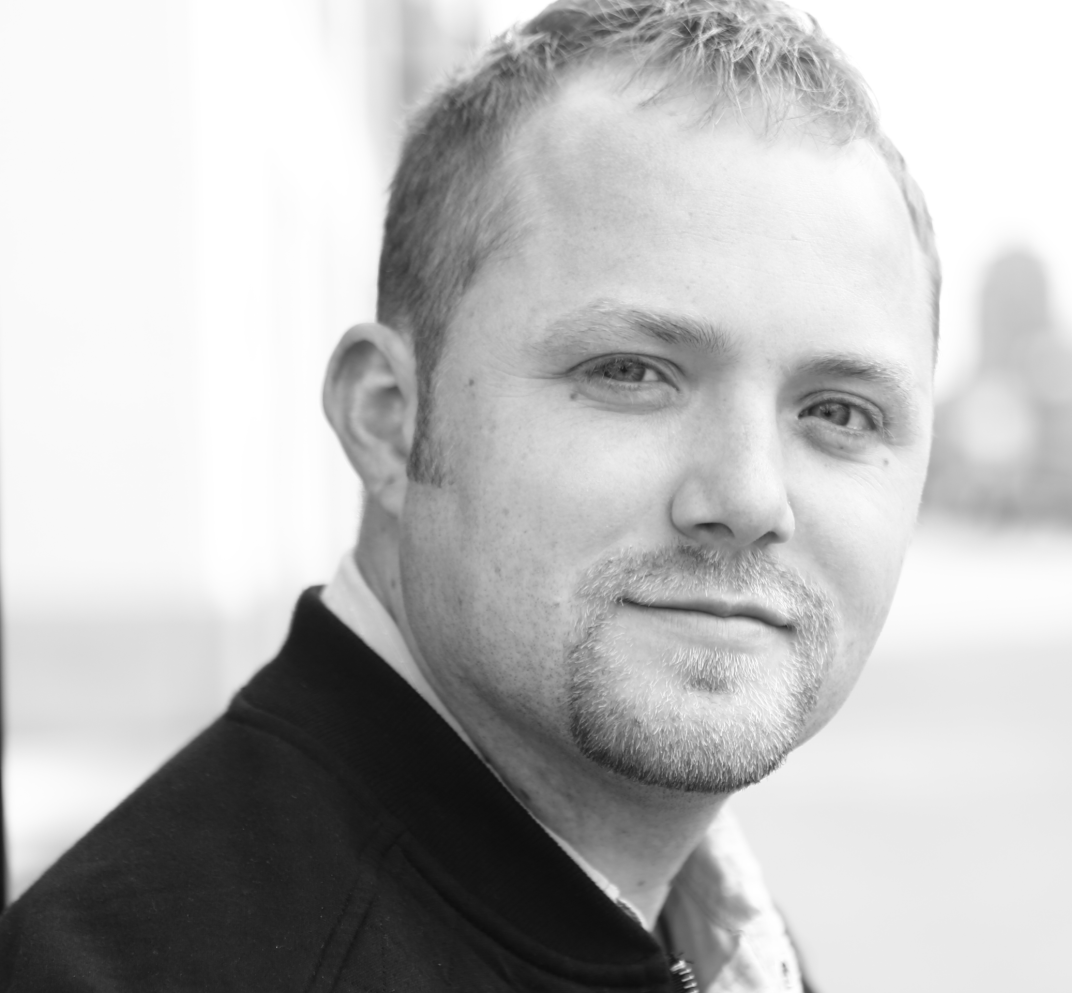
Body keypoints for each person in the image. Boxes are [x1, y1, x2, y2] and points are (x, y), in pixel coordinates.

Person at [0, 0, 938, 988]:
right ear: (388, 419)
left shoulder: (719, 935)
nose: (747, 497)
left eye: (839, 413)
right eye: (630, 372)